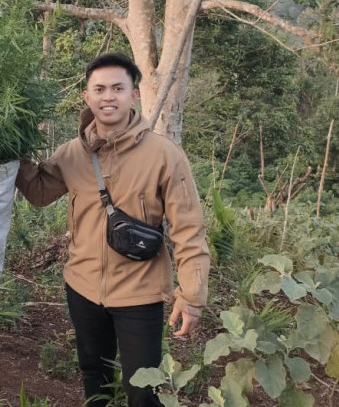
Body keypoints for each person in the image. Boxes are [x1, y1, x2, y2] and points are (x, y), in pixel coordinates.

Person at [15, 53, 210, 407]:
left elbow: (189, 229)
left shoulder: (165, 155)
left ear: (133, 94)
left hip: (140, 293)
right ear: (87, 97)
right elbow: (40, 192)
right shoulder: (71, 153)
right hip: (83, 287)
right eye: (100, 89)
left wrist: (192, 296)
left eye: (118, 88)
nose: (109, 97)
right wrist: (8, 150)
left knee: (142, 389)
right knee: (94, 374)